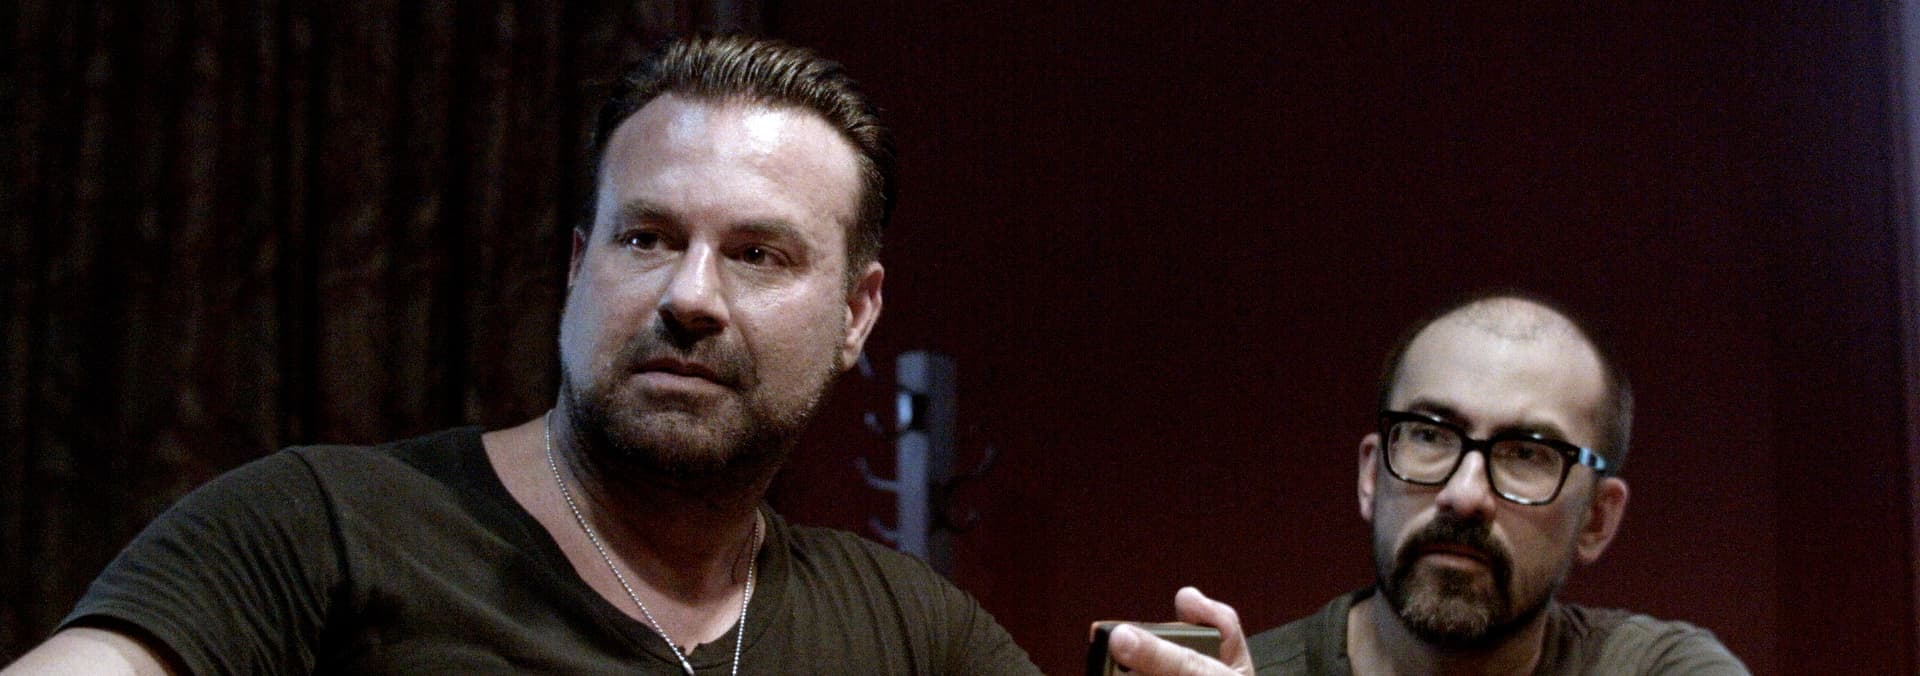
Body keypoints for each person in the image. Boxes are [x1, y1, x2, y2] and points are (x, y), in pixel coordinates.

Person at [2, 33, 1042, 675]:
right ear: (581, 265)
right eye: (647, 239)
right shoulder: (316, 529)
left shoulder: (914, 634)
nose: (688, 296)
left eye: (757, 254)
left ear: (857, 314)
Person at [1111, 292, 1748, 675]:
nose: (1465, 495)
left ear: (1597, 519)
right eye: (1430, 435)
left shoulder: (1658, 668)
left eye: (1527, 453)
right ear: (1371, 474)